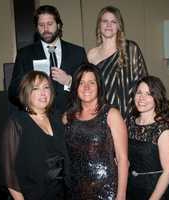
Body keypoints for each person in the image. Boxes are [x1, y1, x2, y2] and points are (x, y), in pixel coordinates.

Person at [63, 64, 128, 200]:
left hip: (107, 189)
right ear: (75, 87)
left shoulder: (111, 114)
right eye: (81, 83)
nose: (86, 87)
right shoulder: (67, 117)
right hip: (76, 190)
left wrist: (121, 195)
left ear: (99, 86)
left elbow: (122, 160)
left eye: (91, 82)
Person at [1, 71, 69, 200]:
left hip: (61, 194)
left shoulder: (57, 118)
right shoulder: (17, 122)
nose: (43, 93)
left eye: (46, 87)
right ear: (27, 93)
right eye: (36, 88)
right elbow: (9, 172)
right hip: (32, 195)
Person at [8, 5, 87, 114]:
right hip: (37, 120)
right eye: (41, 25)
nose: (45, 29)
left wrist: (69, 81)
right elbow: (13, 92)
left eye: (50, 24)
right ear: (36, 27)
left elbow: (90, 87)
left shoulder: (77, 52)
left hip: (72, 118)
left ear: (58, 25)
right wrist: (32, 92)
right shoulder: (25, 54)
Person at [87, 6, 148, 121]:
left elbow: (144, 82)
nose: (109, 25)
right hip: (103, 115)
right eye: (105, 21)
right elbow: (89, 87)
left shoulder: (131, 48)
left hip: (131, 115)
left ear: (119, 26)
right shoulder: (91, 54)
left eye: (113, 22)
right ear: (99, 26)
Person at [127, 75, 169, 200]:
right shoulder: (129, 123)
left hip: (156, 191)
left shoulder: (163, 130)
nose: (142, 98)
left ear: (156, 98)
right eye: (139, 92)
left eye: (148, 94)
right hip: (131, 189)